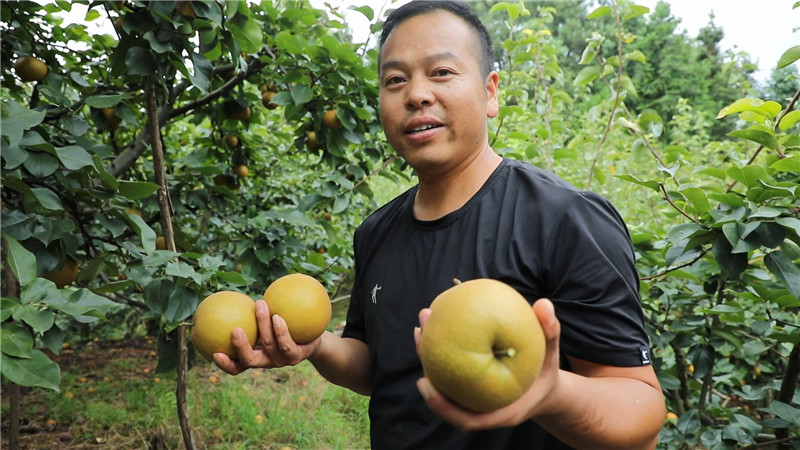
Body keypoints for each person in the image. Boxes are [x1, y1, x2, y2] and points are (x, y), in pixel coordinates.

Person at [214, 1, 666, 448]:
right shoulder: (376, 232)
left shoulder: (565, 219)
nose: (416, 94)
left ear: (490, 92)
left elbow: (641, 411)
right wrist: (316, 346)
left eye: (442, 72)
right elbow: (381, 368)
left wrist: (549, 392)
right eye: (395, 80)